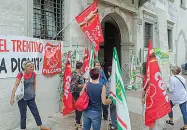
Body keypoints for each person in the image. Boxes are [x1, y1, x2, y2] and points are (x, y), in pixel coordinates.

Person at [10, 60, 50, 130]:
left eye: (33, 67)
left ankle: (41, 126)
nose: (32, 68)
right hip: (22, 98)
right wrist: (12, 98)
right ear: (26, 67)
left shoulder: (33, 74)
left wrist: (34, 93)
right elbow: (16, 86)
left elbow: (34, 84)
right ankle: (23, 128)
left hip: (31, 98)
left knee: (36, 113)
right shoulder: (21, 74)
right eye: (30, 67)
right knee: (23, 115)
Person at [166, 66, 187, 130]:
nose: (172, 71)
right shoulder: (183, 78)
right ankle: (185, 127)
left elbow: (171, 90)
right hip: (183, 97)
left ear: (174, 72)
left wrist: (167, 87)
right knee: (184, 112)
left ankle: (171, 120)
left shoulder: (172, 78)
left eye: (172, 70)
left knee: (168, 108)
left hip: (175, 97)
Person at [70, 61, 85, 130]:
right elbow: (75, 85)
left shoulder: (79, 73)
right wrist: (83, 85)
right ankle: (78, 124)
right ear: (81, 67)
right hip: (76, 92)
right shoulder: (75, 74)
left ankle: (77, 121)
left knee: (78, 107)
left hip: (80, 92)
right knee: (79, 107)